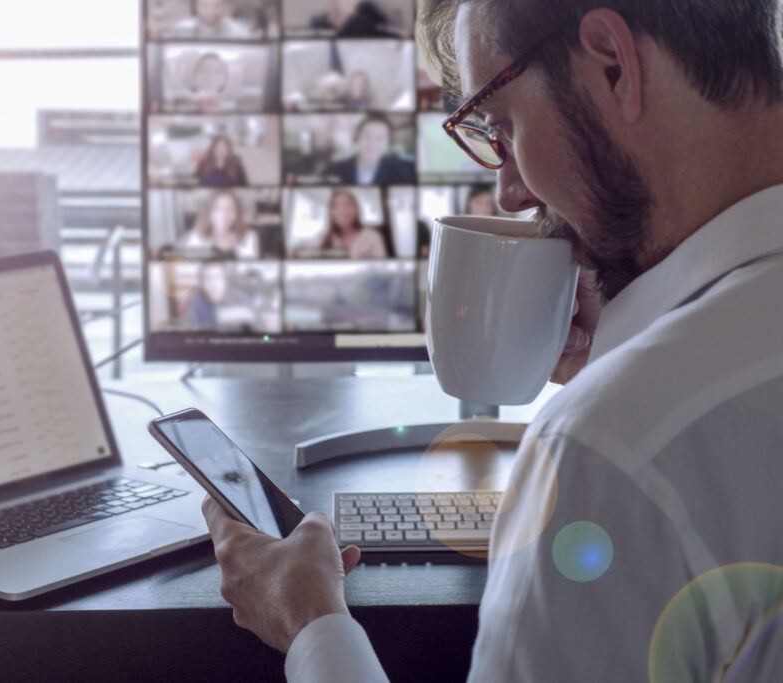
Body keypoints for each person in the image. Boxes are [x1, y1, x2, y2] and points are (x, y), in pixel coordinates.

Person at [202, 0, 783, 680]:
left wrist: (310, 623)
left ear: (612, 64)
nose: (509, 193)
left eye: (503, 129)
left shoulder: (608, 455)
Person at [323, 114, 416, 185]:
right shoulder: (334, 170)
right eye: (367, 136)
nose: (372, 144)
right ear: (357, 138)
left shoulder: (403, 174)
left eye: (379, 138)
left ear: (388, 144)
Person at [177, 189, 259, 259]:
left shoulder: (249, 237)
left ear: (237, 213)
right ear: (209, 212)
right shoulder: (196, 238)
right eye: (217, 209)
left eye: (230, 209)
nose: (224, 215)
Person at [305, 190, 387, 259]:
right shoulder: (320, 238)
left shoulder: (372, 236)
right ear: (331, 212)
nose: (343, 211)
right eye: (337, 206)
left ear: (356, 210)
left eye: (348, 205)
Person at [167, 0, 251, 39]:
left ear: (224, 6)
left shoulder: (240, 32)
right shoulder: (180, 30)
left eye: (216, 6)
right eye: (205, 6)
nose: (211, 11)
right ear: (196, 6)